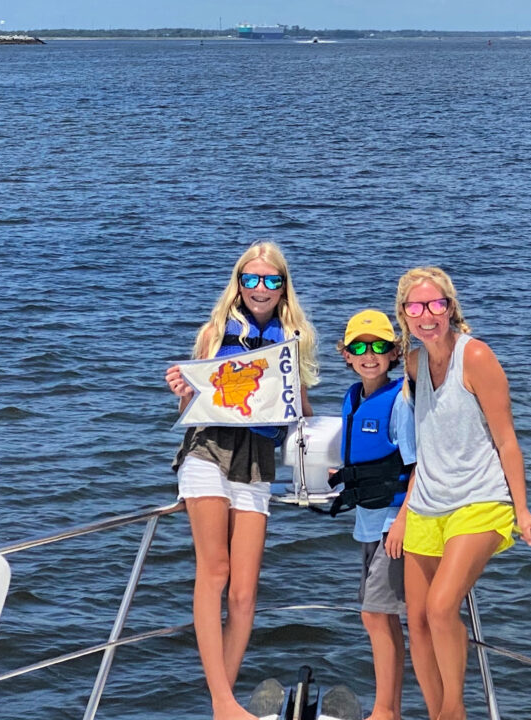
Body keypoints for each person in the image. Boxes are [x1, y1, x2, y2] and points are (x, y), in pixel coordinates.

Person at [165, 241, 318, 720]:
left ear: (283, 288)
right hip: (208, 450)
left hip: (257, 460)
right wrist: (183, 392)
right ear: (238, 284)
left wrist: (295, 394)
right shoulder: (214, 333)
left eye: (271, 280)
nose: (260, 288)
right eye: (251, 279)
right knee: (215, 571)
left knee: (245, 591)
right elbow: (192, 408)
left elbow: (302, 413)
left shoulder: (292, 339)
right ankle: (223, 701)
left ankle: (221, 702)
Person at [386, 266, 531, 720]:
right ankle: (438, 712)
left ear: (451, 307)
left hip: (479, 503)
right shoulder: (413, 364)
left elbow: (507, 439)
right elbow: (424, 441)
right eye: (416, 308)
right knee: (416, 624)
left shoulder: (475, 357)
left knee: (439, 609)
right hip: (426, 506)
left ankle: (452, 712)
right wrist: (404, 511)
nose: (427, 315)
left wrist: (523, 510)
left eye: (436, 304)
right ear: (405, 315)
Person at [329, 309, 416, 720]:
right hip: (367, 522)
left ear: (394, 352)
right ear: (346, 354)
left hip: (391, 524)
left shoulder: (400, 402)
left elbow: (417, 467)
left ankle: (384, 711)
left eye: (379, 346)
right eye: (359, 347)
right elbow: (371, 458)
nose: (369, 354)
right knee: (379, 618)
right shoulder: (353, 397)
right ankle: (390, 710)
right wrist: (344, 475)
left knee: (374, 615)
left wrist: (401, 523)